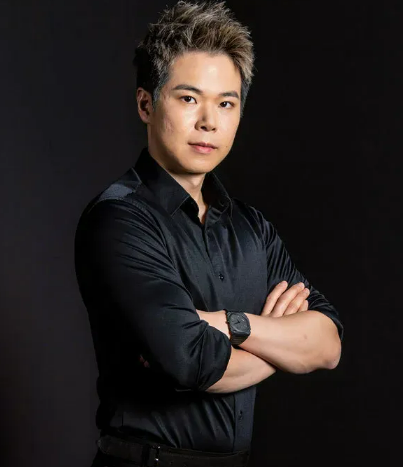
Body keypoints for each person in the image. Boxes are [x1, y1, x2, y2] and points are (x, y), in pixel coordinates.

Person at [74, 1, 344, 466]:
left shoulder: (252, 227)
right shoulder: (118, 220)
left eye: (225, 103)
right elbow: (191, 360)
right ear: (145, 104)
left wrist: (230, 324)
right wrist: (281, 344)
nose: (209, 121)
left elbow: (327, 345)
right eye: (188, 98)